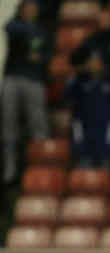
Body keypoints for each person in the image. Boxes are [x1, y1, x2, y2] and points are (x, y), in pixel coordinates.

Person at [2, 0, 49, 185]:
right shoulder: (16, 26)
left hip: (33, 80)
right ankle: (9, 169)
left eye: (33, 9)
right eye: (28, 9)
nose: (31, 11)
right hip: (12, 78)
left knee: (38, 125)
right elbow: (10, 29)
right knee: (8, 124)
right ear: (21, 11)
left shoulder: (42, 30)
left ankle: (41, 165)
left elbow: (46, 55)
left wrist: (39, 58)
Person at [65, 49, 110, 169]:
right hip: (84, 127)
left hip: (105, 128)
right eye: (91, 61)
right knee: (83, 162)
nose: (93, 65)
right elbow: (68, 96)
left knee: (105, 162)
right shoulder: (79, 82)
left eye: (96, 61)